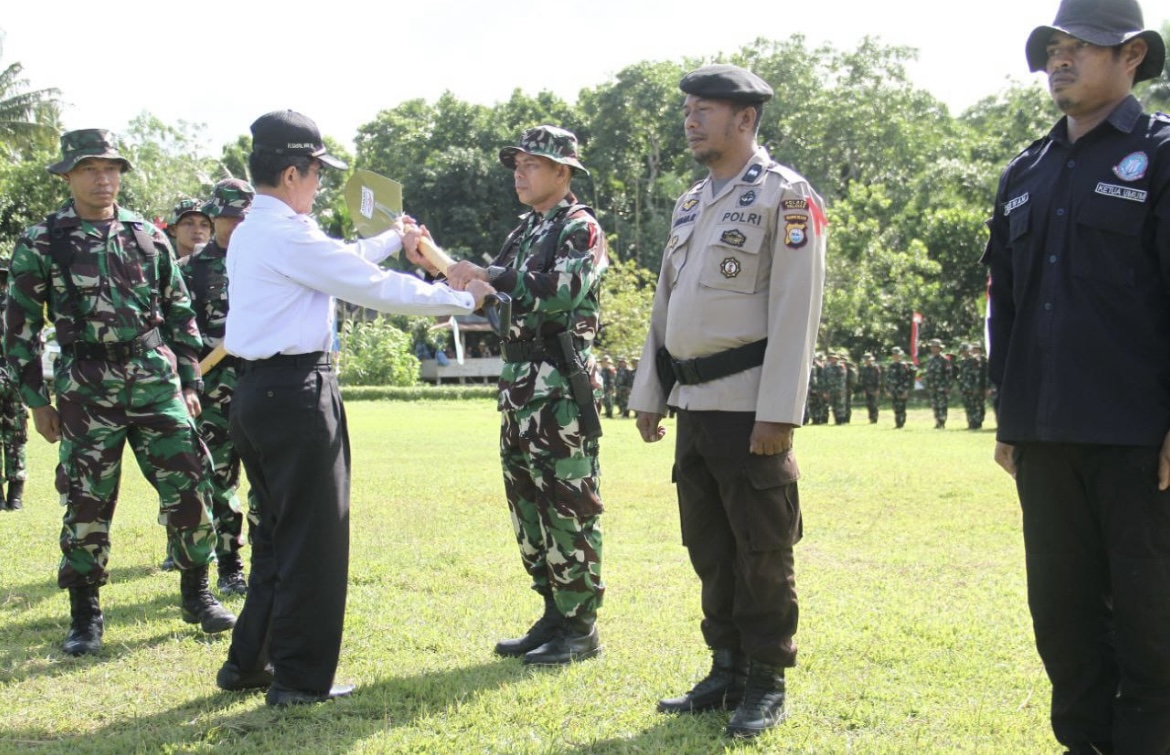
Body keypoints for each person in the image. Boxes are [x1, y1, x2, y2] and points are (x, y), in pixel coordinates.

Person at [214, 110, 492, 706]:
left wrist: (393, 239)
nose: (319, 186)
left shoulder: (255, 229)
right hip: (295, 394)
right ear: (293, 173)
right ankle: (299, 679)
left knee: (276, 537)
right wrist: (462, 298)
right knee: (313, 540)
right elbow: (373, 286)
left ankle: (250, 662)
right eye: (316, 174)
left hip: (258, 393)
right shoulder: (289, 235)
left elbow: (338, 259)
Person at [984, 0, 1170, 750]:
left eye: (1082, 46)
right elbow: (1006, 304)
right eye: (1054, 47)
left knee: (1153, 622)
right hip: (1045, 438)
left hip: (1139, 444)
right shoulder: (1024, 171)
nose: (1060, 61)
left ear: (1133, 55)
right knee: (1062, 619)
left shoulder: (1162, 156)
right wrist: (1010, 415)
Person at [628, 64, 826, 738]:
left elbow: (797, 308)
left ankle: (766, 679)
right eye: (687, 109)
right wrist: (651, 391)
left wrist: (780, 411)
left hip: (749, 408)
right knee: (710, 545)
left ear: (745, 119)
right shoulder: (690, 203)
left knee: (761, 548)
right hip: (694, 405)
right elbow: (665, 305)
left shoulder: (786, 196)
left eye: (704, 110)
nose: (690, 120)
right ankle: (727, 668)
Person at [5, 128, 236, 656]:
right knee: (86, 500)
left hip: (155, 380)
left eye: (110, 168)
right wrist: (36, 401)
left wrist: (190, 380)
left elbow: (179, 313)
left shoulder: (147, 236)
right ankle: (85, 615)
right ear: (67, 176)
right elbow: (19, 326)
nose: (103, 179)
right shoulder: (44, 240)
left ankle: (197, 593)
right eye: (89, 169)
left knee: (190, 484)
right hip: (86, 387)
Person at [439, 124, 608, 666]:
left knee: (568, 507)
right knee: (528, 508)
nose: (519, 173)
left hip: (559, 391)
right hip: (519, 389)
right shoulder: (526, 230)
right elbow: (500, 301)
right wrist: (458, 278)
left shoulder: (579, 228)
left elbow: (562, 292)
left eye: (531, 164)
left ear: (562, 171)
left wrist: (489, 275)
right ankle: (554, 612)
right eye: (517, 164)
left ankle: (581, 628)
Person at [178, 178, 256, 595]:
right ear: (214, 217)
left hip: (263, 383)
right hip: (211, 390)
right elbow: (177, 328)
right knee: (217, 478)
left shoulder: (268, 261)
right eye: (228, 216)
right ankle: (229, 565)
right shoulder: (190, 269)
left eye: (243, 216)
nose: (236, 224)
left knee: (268, 478)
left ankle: (269, 561)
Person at [0, 261, 28, 511]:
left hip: (12, 376)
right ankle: (15, 497)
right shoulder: (18, 307)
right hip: (14, 376)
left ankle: (6, 497)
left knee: (15, 435)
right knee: (16, 436)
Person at [957, 342, 988, 430]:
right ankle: (970, 423)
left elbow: (977, 375)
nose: (963, 353)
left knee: (976, 406)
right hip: (965, 388)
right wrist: (960, 388)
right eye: (962, 351)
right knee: (968, 406)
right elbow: (961, 376)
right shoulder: (962, 362)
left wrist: (976, 388)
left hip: (974, 388)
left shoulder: (974, 360)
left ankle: (977, 424)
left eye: (965, 351)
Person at [923, 338, 951, 429]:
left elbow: (948, 374)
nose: (933, 349)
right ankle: (937, 422)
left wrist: (947, 386)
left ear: (939, 348)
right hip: (933, 387)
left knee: (942, 405)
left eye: (935, 347)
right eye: (932, 347)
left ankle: (942, 423)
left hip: (942, 387)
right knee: (935, 405)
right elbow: (928, 373)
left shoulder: (944, 359)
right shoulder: (930, 359)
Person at [884, 346, 914, 429]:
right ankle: (898, 423)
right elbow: (888, 379)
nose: (895, 356)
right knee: (895, 407)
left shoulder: (904, 366)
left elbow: (907, 379)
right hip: (893, 390)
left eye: (897, 355)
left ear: (900, 355)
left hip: (901, 390)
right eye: (894, 355)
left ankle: (901, 423)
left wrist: (905, 390)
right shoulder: (891, 366)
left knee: (901, 407)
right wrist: (887, 390)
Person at [824, 352, 848, 424]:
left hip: (839, 389)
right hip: (831, 390)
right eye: (831, 358)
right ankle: (836, 420)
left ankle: (840, 420)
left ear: (836, 359)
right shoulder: (828, 367)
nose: (832, 359)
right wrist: (826, 391)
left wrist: (841, 389)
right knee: (833, 405)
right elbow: (826, 379)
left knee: (840, 405)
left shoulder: (840, 366)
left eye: (833, 358)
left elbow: (842, 379)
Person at [858, 352, 882, 424]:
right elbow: (863, 380)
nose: (867, 361)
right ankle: (871, 418)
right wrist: (863, 390)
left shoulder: (875, 368)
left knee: (874, 404)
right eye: (866, 360)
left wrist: (878, 389)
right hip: (867, 389)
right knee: (868, 404)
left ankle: (874, 419)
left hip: (874, 389)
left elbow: (878, 379)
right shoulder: (864, 368)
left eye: (868, 360)